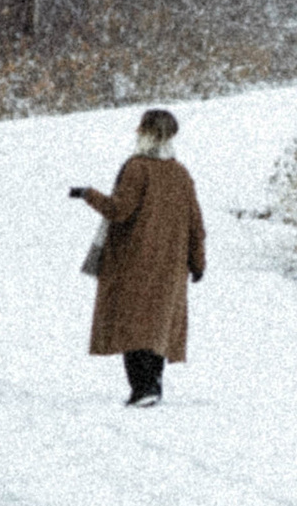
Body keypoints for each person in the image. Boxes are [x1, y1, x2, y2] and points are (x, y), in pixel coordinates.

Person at [72, 106, 205, 406]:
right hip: (171, 265)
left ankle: (143, 387)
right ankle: (153, 384)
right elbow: (195, 222)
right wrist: (198, 261)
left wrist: (87, 194)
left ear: (143, 132)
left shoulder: (137, 168)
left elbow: (120, 210)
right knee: (157, 324)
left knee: (132, 324)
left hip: (135, 261)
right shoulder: (181, 173)